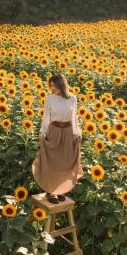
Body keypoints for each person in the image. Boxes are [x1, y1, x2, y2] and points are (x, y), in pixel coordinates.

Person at [31, 73, 84, 204]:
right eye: (51, 86)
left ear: (61, 85)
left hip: (67, 132)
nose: (52, 89)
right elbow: (46, 117)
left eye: (54, 86)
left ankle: (59, 190)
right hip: (53, 131)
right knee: (52, 161)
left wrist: (76, 133)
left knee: (64, 162)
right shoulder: (50, 98)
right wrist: (43, 132)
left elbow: (74, 117)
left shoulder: (72, 99)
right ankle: (51, 191)